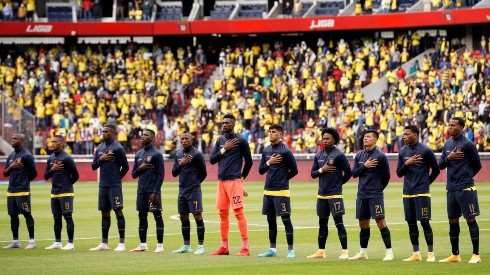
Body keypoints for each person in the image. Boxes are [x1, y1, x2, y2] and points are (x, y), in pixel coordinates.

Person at [438, 117, 482, 264]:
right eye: (449, 125)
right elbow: (441, 165)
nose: (449, 127)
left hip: (465, 188)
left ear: (461, 127)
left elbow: (477, 165)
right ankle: (455, 254)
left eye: (453, 125)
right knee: (452, 221)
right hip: (451, 188)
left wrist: (466, 177)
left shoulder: (468, 144)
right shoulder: (447, 143)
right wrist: (449, 158)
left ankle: (476, 254)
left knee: (470, 219)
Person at [209, 114, 253, 256]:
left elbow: (249, 161)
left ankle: (245, 248)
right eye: (223, 123)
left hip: (234, 182)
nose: (224, 125)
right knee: (222, 214)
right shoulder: (220, 140)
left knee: (238, 213)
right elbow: (212, 160)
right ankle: (224, 247)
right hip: (221, 182)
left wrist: (241, 178)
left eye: (227, 123)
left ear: (234, 124)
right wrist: (224, 149)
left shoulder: (241, 140)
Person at [396, 125, 440, 262]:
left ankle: (431, 254)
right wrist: (408, 163)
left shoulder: (426, 150)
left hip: (421, 193)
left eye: (407, 134)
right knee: (411, 223)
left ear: (415, 134)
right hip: (407, 192)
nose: (404, 136)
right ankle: (416, 253)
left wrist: (425, 184)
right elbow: (398, 173)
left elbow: (436, 170)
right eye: (403, 134)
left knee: (425, 222)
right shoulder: (402, 151)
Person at [307, 127, 352, 259]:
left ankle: (345, 251)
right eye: (323, 138)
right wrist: (323, 169)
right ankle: (321, 251)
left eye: (328, 138)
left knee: (339, 223)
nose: (325, 141)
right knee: (322, 223)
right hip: (321, 195)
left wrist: (338, 184)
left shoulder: (339, 155)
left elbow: (349, 173)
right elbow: (313, 174)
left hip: (335, 195)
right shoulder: (318, 155)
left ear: (334, 140)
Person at [350, 130, 393, 261]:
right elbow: (354, 173)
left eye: (368, 137)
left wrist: (378, 190)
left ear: (375, 140)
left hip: (375, 195)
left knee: (380, 221)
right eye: (364, 137)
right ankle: (363, 252)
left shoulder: (380, 156)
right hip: (362, 194)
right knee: (363, 223)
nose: (365, 138)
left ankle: (389, 252)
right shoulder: (359, 156)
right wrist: (365, 167)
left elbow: (386, 176)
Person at [257, 124, 298, 258]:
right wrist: (269, 162)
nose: (270, 134)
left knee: (286, 220)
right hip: (268, 190)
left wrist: (283, 180)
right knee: (271, 221)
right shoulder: (266, 150)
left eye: (273, 132)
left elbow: (294, 170)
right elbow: (261, 170)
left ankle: (290, 250)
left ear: (280, 134)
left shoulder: (285, 151)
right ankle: (272, 250)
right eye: (269, 132)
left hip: (281, 191)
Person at [90, 124, 129, 252]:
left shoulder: (118, 148)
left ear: (112, 133)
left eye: (106, 132)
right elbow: (94, 166)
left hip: (114, 186)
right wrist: (101, 159)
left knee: (118, 212)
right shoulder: (100, 147)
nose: (103, 133)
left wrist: (117, 178)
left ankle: (121, 243)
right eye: (103, 131)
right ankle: (104, 243)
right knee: (104, 213)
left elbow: (126, 167)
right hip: (103, 185)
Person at [171, 132, 207, 255]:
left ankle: (201, 246)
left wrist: (195, 184)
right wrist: (180, 164)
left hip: (194, 191)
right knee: (183, 217)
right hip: (182, 191)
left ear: (191, 140)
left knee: (197, 216)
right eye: (182, 139)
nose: (184, 141)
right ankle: (186, 245)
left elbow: (204, 173)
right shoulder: (178, 154)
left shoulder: (197, 154)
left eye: (186, 138)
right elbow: (174, 173)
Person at [129, 129, 165, 253]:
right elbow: (133, 174)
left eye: (146, 135)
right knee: (142, 217)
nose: (142, 137)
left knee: (157, 216)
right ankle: (143, 244)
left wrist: (156, 192)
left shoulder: (157, 154)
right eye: (142, 135)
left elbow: (161, 174)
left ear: (152, 138)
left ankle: (160, 245)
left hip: (152, 191)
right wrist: (141, 167)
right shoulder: (138, 154)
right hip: (141, 190)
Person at [43, 136, 79, 250]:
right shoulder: (51, 157)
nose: (52, 143)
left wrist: (67, 185)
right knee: (56, 218)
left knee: (67, 217)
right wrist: (52, 169)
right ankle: (57, 242)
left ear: (62, 144)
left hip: (65, 192)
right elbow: (46, 176)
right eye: (51, 141)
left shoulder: (67, 158)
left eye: (55, 141)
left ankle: (70, 243)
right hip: (54, 192)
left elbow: (76, 175)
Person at [3, 134, 38, 249]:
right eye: (12, 139)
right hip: (11, 190)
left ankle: (32, 241)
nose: (12, 141)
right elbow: (5, 173)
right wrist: (11, 167)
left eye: (15, 139)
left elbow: (34, 173)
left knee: (27, 214)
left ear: (22, 141)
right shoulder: (11, 156)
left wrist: (24, 182)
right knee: (13, 216)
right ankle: (15, 241)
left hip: (22, 191)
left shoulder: (27, 155)